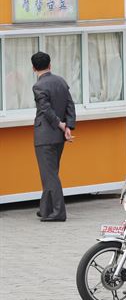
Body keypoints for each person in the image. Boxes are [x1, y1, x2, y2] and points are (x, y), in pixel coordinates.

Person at [31, 51, 76, 222]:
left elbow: (46, 109)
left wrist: (60, 124)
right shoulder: (61, 81)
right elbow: (70, 105)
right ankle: (46, 209)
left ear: (33, 68)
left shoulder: (39, 86)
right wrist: (68, 126)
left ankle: (58, 212)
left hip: (45, 136)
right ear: (50, 65)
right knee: (51, 173)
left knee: (49, 175)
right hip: (58, 137)